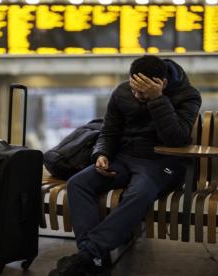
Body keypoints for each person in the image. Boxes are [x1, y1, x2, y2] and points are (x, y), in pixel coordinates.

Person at [48, 55, 201, 276]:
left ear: (162, 84)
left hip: (162, 161)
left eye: (142, 91)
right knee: (79, 183)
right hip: (124, 158)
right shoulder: (122, 92)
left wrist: (157, 100)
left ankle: (87, 256)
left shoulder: (188, 96)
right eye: (133, 88)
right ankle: (95, 260)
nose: (136, 96)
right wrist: (101, 154)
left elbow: (177, 139)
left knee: (140, 193)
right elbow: (109, 131)